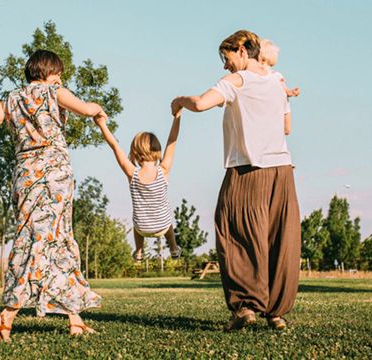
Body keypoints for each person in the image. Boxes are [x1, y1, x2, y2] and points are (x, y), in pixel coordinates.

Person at [0, 49, 105, 341]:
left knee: (52, 240)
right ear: (47, 72)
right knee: (43, 243)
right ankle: (5, 316)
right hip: (54, 177)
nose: (60, 76)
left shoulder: (11, 99)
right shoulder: (55, 91)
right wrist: (98, 110)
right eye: (58, 71)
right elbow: (86, 108)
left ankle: (75, 319)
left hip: (25, 177)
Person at [171, 30, 301, 331]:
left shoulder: (236, 82)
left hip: (246, 170)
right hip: (281, 170)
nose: (224, 66)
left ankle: (245, 307)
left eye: (225, 57)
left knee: (233, 230)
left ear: (242, 50)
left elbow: (202, 103)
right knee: (279, 240)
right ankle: (277, 313)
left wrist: (179, 101)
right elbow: (286, 127)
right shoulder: (276, 82)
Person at [94, 113, 182, 262]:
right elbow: (172, 142)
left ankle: (139, 251)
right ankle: (173, 247)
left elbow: (114, 146)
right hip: (162, 226)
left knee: (137, 223)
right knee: (167, 222)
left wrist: (102, 124)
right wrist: (177, 116)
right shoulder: (164, 169)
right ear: (157, 151)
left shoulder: (132, 173)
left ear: (134, 152)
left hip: (142, 227)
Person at [259, 39, 300, 135]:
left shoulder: (275, 75)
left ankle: (286, 128)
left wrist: (291, 92)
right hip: (272, 104)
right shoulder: (259, 74)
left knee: (286, 113)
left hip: (280, 103)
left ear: (263, 59)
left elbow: (285, 89)